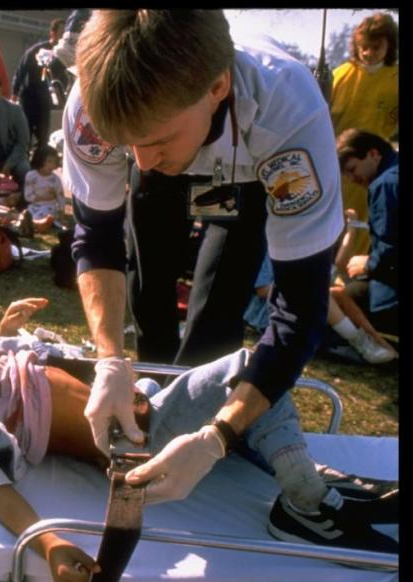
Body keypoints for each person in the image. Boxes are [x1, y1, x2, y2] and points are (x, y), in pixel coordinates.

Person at [0, 299, 398, 582]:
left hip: (140, 393)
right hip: (140, 436)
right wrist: (49, 545)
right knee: (250, 370)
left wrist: (5, 331)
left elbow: (3, 363)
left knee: (249, 397)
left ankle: (306, 477)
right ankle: (303, 500)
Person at [63, 11, 346, 504]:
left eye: (155, 141)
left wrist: (217, 436)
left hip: (246, 172)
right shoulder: (93, 107)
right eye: (127, 144)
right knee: (149, 296)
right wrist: (109, 357)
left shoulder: (289, 115)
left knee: (218, 310)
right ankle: (151, 404)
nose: (143, 160)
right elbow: (98, 237)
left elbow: (300, 309)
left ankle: (197, 423)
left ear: (217, 87)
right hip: (190, 139)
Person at [329, 13, 399, 274]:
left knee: (367, 223)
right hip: (335, 164)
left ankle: (355, 275)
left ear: (389, 45)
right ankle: (328, 275)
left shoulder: (395, 80)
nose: (369, 53)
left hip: (372, 165)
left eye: (376, 47)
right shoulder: (340, 75)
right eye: (364, 47)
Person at [243, 257, 397, 364]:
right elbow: (262, 290)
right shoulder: (263, 247)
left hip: (294, 301)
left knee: (338, 293)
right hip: (267, 311)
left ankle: (376, 340)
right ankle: (359, 342)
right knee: (319, 293)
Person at [336, 128, 399, 340]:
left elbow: (390, 245)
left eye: (353, 169)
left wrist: (368, 263)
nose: (353, 179)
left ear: (373, 154)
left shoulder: (384, 185)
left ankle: (374, 347)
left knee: (332, 300)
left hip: (390, 299)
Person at [12, 19, 65, 149]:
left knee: (43, 134)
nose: (63, 37)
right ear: (52, 33)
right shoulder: (37, 50)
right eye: (61, 32)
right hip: (29, 96)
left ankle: (39, 162)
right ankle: (23, 162)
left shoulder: (63, 54)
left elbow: (64, 77)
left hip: (46, 99)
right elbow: (21, 69)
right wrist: (14, 92)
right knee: (26, 132)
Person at [22, 145, 65, 228]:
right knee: (27, 214)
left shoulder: (55, 180)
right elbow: (28, 196)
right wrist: (46, 197)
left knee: (43, 214)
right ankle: (33, 223)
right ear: (40, 160)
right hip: (34, 206)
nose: (52, 165)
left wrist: (62, 215)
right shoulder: (31, 176)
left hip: (49, 207)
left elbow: (61, 198)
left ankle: (35, 224)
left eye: (54, 162)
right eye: (49, 161)